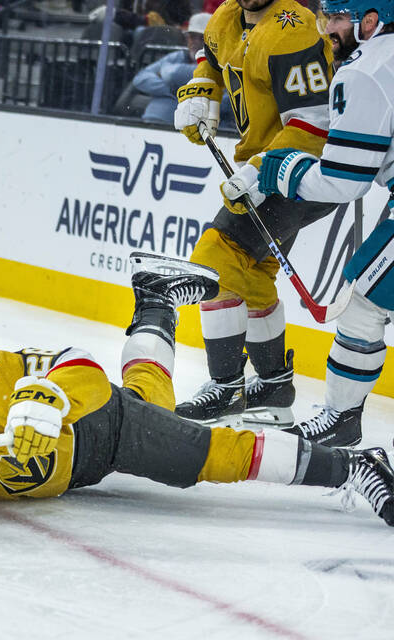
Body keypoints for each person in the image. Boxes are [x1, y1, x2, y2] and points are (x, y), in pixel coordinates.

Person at [0, 253, 394, 527]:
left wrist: (42, 399)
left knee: (209, 454)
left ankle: (355, 468)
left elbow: (79, 366)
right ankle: (155, 297)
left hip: (101, 426)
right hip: (87, 466)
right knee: (151, 391)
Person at [230, 0, 394, 446]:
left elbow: (344, 181)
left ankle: (341, 418)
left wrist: (279, 171)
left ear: (370, 21)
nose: (328, 31)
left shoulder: (365, 68)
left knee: (362, 306)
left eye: (339, 19)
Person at [170, 0, 336, 429]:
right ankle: (273, 388)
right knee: (254, 270)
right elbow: (211, 57)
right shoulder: (226, 18)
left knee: (215, 257)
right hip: (272, 163)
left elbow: (316, 124)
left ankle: (226, 386)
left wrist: (261, 168)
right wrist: (201, 90)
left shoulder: (293, 29)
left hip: (305, 168)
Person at [130, 12, 213, 125]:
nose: (196, 42)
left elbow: (173, 74)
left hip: (199, 128)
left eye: (202, 38)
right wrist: (172, 90)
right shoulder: (177, 56)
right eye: (192, 36)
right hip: (157, 121)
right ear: (187, 38)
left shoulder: (217, 65)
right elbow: (141, 78)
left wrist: (166, 75)